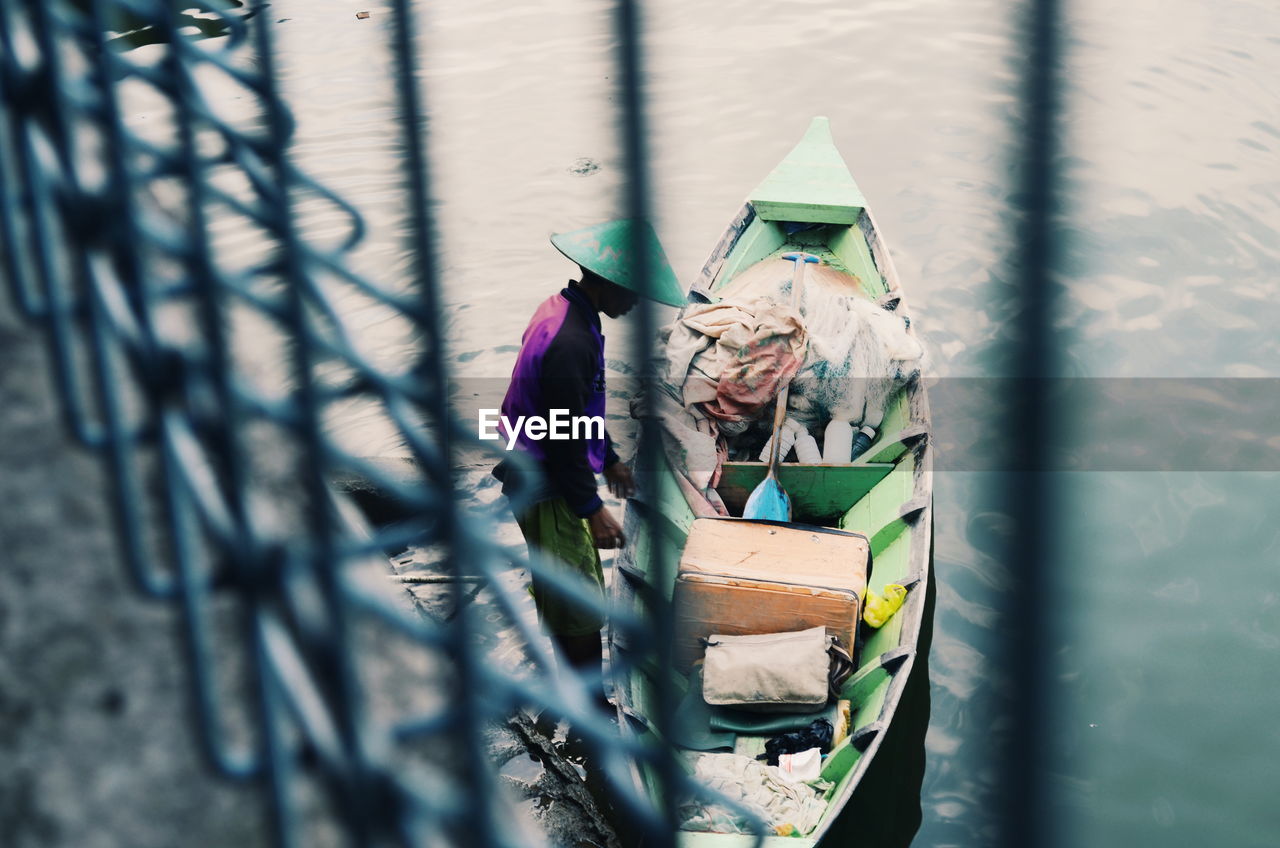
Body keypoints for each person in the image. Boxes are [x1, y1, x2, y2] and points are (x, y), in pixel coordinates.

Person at [493, 218, 684, 706]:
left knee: (564, 586)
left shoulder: (567, 312)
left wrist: (611, 458)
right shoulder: (571, 342)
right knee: (578, 601)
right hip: (546, 484)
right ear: (609, 282)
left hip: (544, 473)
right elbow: (559, 438)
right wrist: (591, 508)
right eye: (634, 291)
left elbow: (576, 410)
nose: (638, 302)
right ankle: (590, 704)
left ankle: (572, 684)